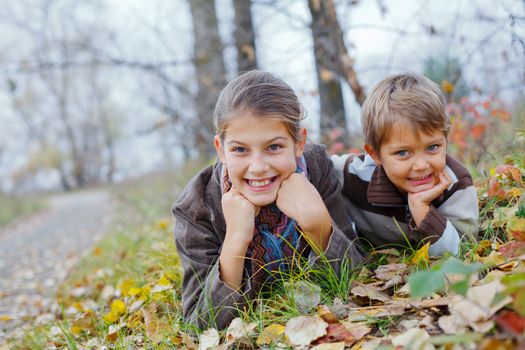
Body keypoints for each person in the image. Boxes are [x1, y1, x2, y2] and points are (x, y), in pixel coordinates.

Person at [173, 70, 364, 330]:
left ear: (299, 143)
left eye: (274, 147)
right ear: (221, 150)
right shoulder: (196, 208)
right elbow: (199, 324)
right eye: (240, 149)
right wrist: (236, 239)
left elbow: (358, 278)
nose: (258, 167)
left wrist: (318, 223)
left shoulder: (317, 168)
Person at [332, 72, 479, 256]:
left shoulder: (456, 185)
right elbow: (315, 164)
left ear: (445, 140)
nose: (420, 165)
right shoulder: (355, 174)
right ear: (375, 154)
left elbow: (464, 252)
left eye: (432, 147)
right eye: (402, 153)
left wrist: (423, 212)